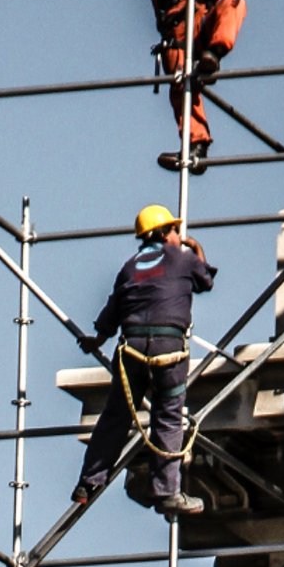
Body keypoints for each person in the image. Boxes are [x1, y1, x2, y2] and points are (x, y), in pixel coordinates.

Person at [72, 204, 216, 516]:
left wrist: (96, 339)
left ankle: (88, 482)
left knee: (116, 416)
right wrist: (196, 248)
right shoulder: (183, 258)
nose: (179, 235)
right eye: (175, 230)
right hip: (168, 348)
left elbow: (114, 308)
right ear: (165, 233)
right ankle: (165, 492)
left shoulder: (130, 266)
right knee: (167, 416)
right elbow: (205, 281)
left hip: (131, 347)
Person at [143, 0, 248, 173]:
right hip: (178, 37)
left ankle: (213, 55)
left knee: (235, 1)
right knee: (182, 86)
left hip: (203, 31)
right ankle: (196, 145)